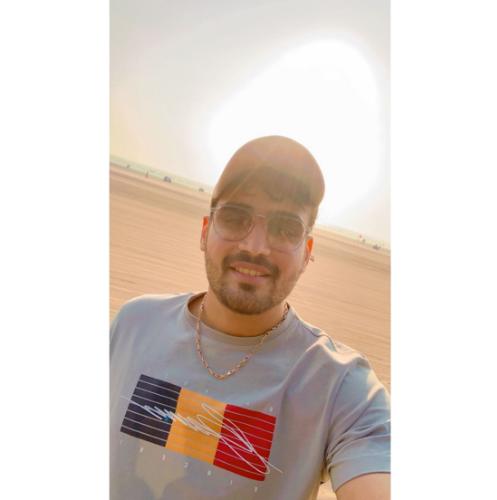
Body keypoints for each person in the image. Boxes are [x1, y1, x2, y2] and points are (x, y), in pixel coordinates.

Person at [110, 136, 390, 500]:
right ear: (205, 231)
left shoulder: (339, 387)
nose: (255, 247)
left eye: (285, 228)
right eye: (235, 218)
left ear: (307, 252)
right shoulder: (135, 324)